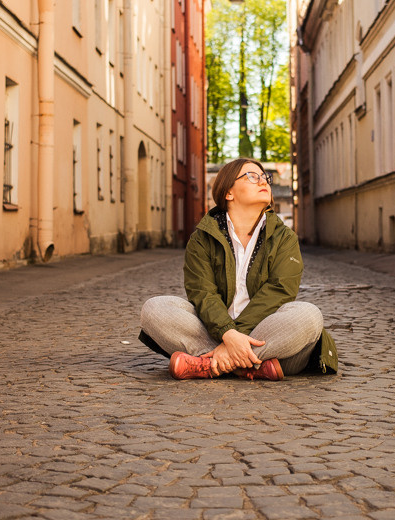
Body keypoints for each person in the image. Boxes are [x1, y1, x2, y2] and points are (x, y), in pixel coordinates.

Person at [139, 158, 338, 380]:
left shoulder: (284, 238)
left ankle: (210, 362)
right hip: (215, 330)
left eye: (265, 177)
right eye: (253, 176)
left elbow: (280, 291)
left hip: (266, 333)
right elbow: (202, 293)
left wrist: (233, 337)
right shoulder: (202, 238)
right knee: (155, 308)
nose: (263, 181)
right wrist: (226, 333)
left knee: (308, 315)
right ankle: (247, 365)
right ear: (228, 193)